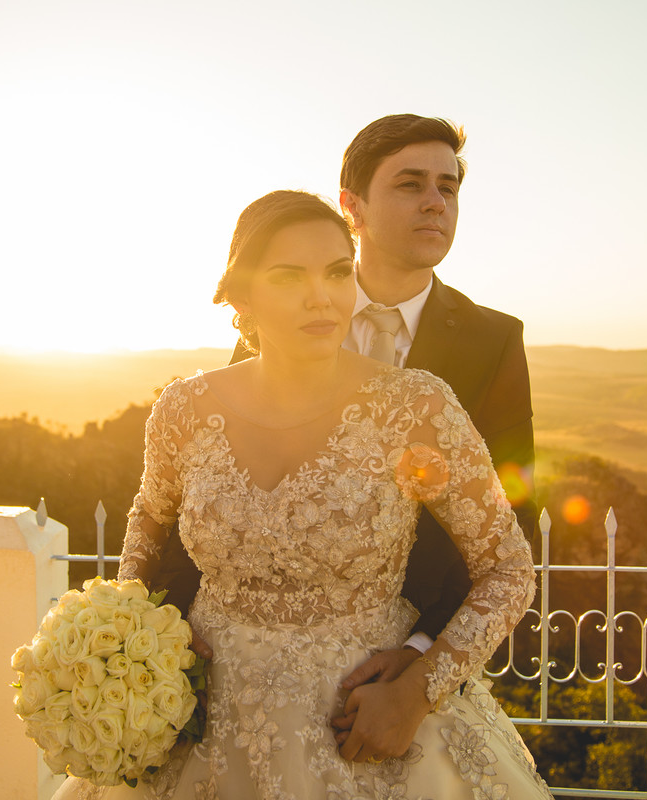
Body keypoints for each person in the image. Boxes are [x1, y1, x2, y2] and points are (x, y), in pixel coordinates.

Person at [51, 191, 550, 799]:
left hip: (364, 719)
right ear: (242, 296)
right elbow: (149, 521)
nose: (322, 296)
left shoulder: (416, 406)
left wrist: (418, 690)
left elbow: (508, 568)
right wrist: (147, 633)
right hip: (201, 714)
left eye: (337, 272)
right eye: (290, 276)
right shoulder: (183, 409)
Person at [156, 114, 538, 727]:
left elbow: (511, 511)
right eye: (410, 184)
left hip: (407, 669)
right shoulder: (278, 320)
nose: (436, 203)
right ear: (351, 206)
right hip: (235, 679)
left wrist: (422, 657)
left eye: (448, 187)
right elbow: (206, 483)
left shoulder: (494, 341)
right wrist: (170, 631)